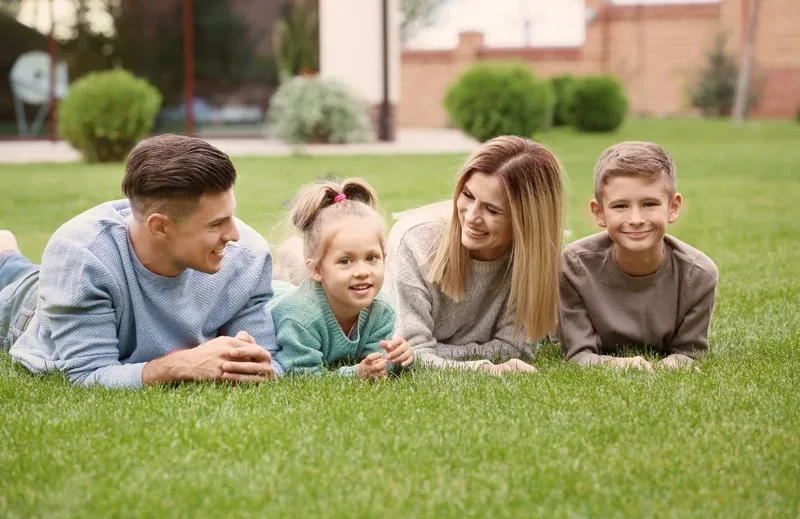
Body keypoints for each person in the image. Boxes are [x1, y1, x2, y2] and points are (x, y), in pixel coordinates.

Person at [1, 134, 279, 389]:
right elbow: (87, 375)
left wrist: (253, 364)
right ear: (160, 227)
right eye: (216, 223)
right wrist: (180, 365)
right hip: (27, 307)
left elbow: (269, 360)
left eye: (231, 215)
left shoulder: (248, 256)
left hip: (73, 286)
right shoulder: (81, 257)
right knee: (13, 271)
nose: (234, 234)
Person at [387, 135, 565, 374]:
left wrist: (437, 352)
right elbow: (410, 356)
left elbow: (515, 348)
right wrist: (485, 367)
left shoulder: (536, 259)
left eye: (492, 209)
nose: (471, 217)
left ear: (527, 222)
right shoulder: (414, 241)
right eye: (468, 195)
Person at [558, 141, 718, 370]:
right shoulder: (575, 265)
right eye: (620, 206)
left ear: (673, 207)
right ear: (599, 213)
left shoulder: (698, 275)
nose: (635, 219)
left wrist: (673, 364)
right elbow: (579, 354)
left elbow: (689, 352)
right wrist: (624, 365)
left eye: (649, 204)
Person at [269, 178, 413, 379]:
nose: (362, 271)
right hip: (275, 297)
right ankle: (285, 260)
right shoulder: (301, 318)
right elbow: (300, 374)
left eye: (372, 258)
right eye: (346, 261)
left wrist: (397, 358)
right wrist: (355, 374)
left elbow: (376, 361)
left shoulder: (381, 309)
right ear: (317, 269)